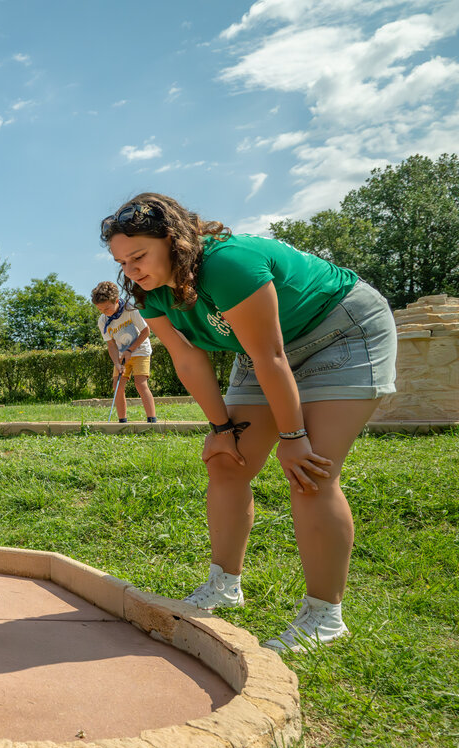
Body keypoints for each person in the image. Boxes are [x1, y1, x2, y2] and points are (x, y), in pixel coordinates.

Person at [101, 192, 397, 652]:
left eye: (139, 256)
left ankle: (325, 617)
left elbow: (270, 354)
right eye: (122, 261)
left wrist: (294, 437)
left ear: (174, 241)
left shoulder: (228, 264)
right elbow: (187, 356)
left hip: (339, 330)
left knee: (310, 470)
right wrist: (222, 431)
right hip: (262, 351)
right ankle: (224, 586)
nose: (131, 269)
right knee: (226, 462)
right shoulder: (149, 290)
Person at [91, 280, 157, 423]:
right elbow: (111, 345)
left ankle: (152, 420)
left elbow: (146, 331)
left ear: (115, 300)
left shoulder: (130, 309)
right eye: (100, 310)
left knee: (140, 383)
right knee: (117, 387)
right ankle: (122, 421)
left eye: (107, 308)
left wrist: (130, 349)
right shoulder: (103, 321)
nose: (104, 313)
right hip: (121, 355)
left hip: (140, 350)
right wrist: (116, 363)